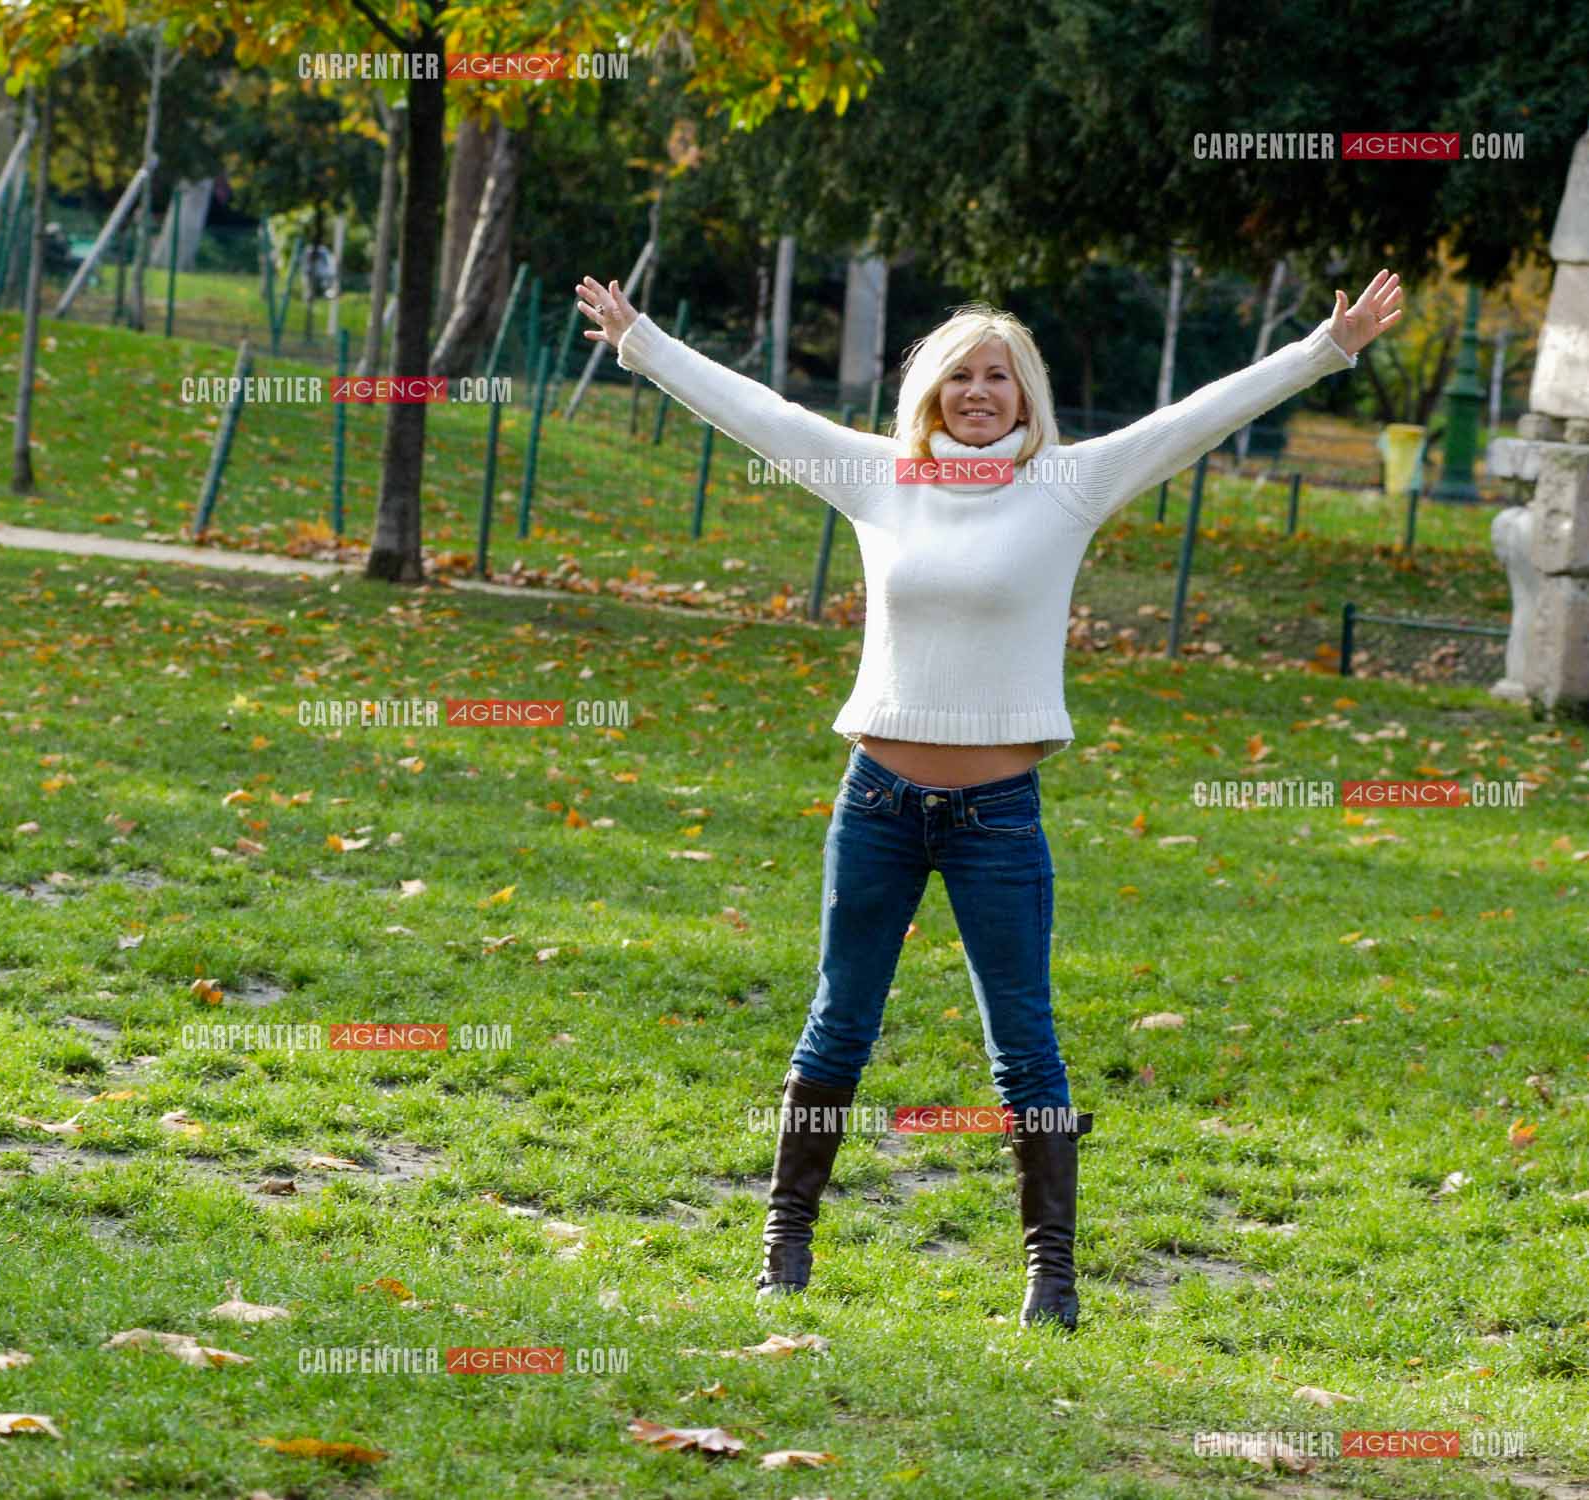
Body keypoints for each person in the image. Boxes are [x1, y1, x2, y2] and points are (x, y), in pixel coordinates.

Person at [574, 268, 1404, 1328]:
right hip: (877, 803)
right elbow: (760, 414)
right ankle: (784, 1247)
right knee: (837, 1026)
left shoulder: (1069, 483)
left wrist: (1325, 350)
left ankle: (1050, 1281)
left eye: (998, 377)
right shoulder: (880, 476)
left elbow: (1196, 418)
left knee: (1024, 1044)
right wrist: (640, 340)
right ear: (929, 391)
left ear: (1025, 396)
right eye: (959, 375)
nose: (977, 392)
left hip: (997, 816)